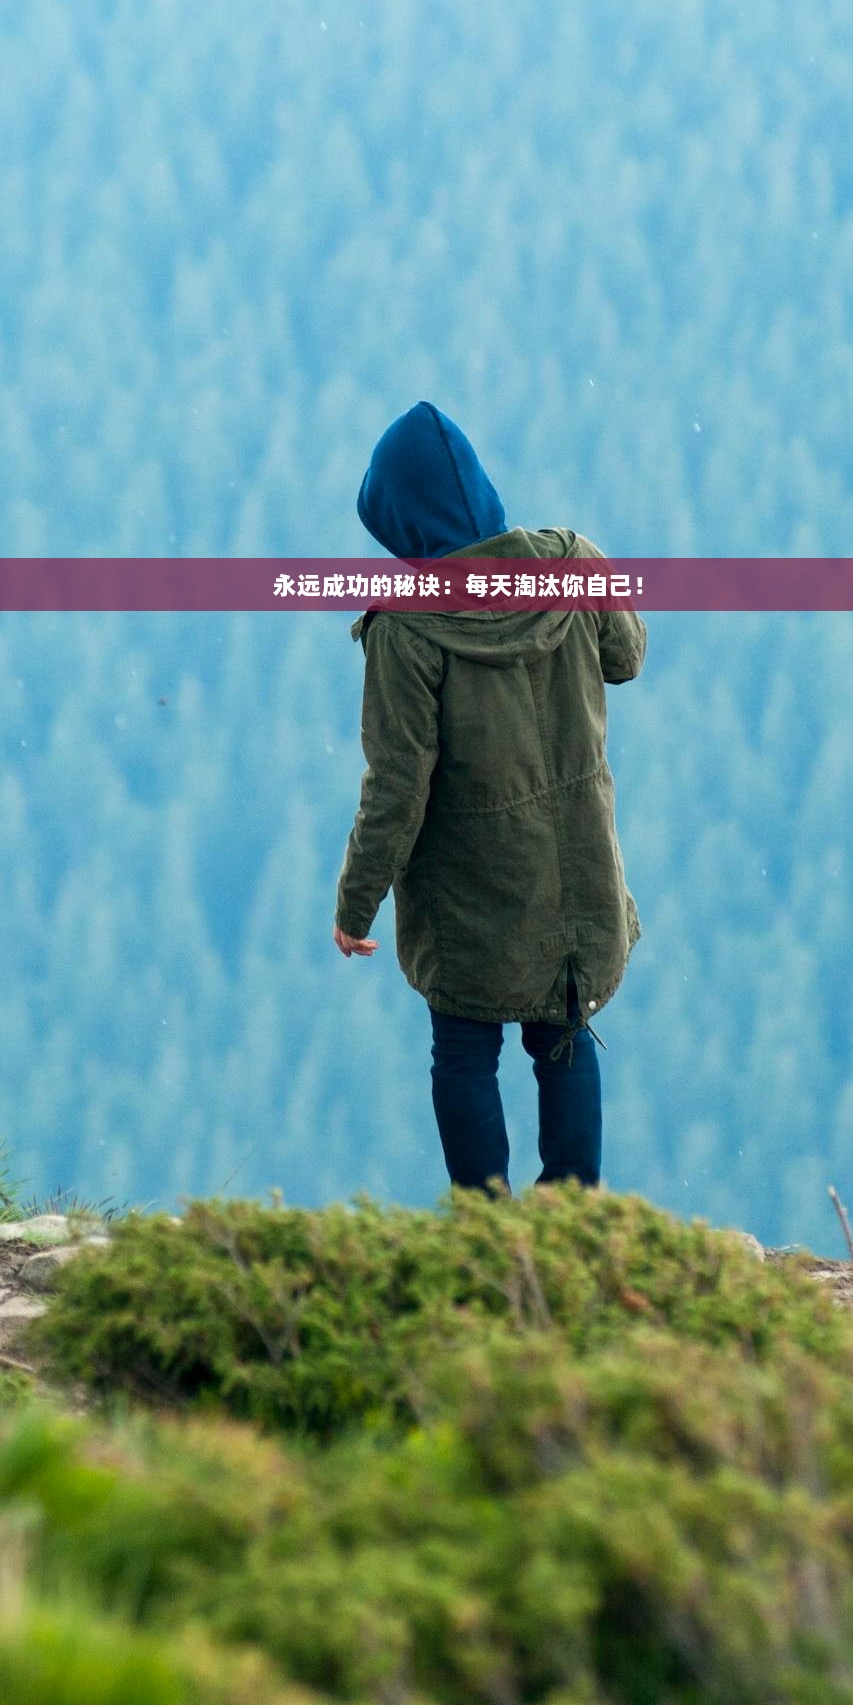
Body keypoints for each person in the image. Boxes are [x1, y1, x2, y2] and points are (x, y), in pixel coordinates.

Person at [332, 401, 647, 1196]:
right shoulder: (571, 563)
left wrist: (355, 902)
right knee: (564, 1036)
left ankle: (483, 1222)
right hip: (575, 871)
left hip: (468, 889)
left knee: (464, 1050)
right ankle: (574, 1214)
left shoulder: (406, 630)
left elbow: (398, 785)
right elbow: (626, 657)